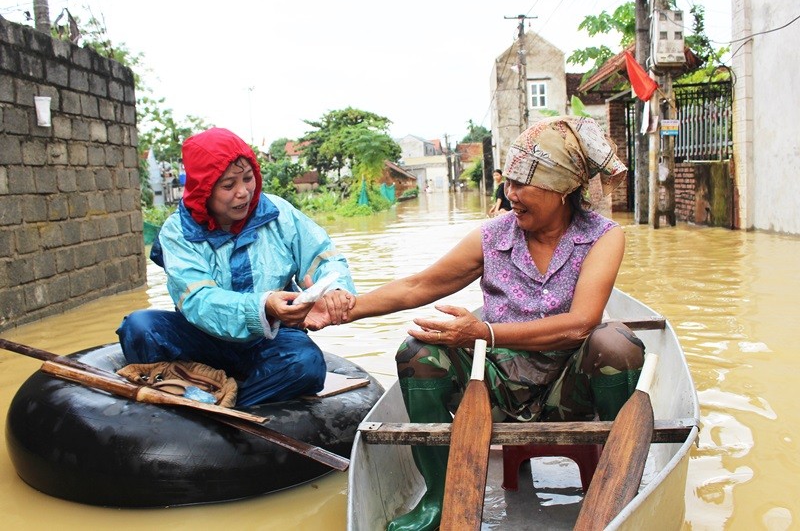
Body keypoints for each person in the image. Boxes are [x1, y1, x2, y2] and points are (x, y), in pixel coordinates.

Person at [321, 116, 646, 531]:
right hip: (493, 383)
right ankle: (438, 498)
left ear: (563, 188)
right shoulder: (493, 236)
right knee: (418, 352)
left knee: (617, 343)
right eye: (507, 182)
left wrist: (483, 332)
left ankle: (620, 489)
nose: (509, 195)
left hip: (570, 386)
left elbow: (580, 325)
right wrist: (342, 310)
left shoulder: (603, 236)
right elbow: (419, 285)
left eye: (521, 185)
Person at [117, 127, 356, 407]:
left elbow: (323, 257)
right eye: (228, 185)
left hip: (270, 338)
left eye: (248, 178)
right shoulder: (177, 231)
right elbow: (199, 300)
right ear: (204, 189)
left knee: (306, 364)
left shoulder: (279, 213)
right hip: (201, 337)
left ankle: (224, 407)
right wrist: (263, 305)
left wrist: (334, 289)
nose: (243, 193)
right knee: (138, 326)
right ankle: (202, 393)